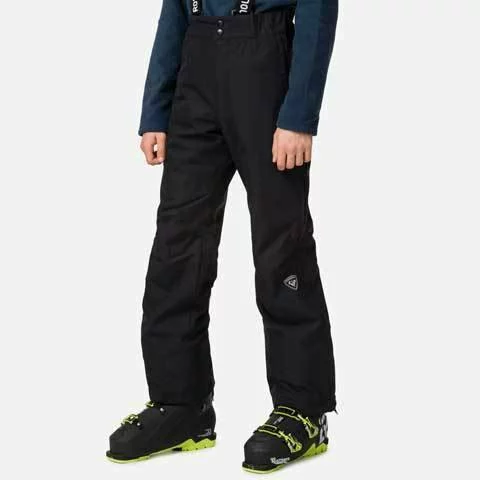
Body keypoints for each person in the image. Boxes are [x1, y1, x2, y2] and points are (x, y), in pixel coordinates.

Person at [107, 0, 338, 473]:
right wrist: (156, 109)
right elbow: (173, 11)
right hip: (196, 64)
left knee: (281, 247)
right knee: (177, 245)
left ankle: (303, 409)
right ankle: (181, 404)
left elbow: (318, 8)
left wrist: (299, 114)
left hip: (265, 62)